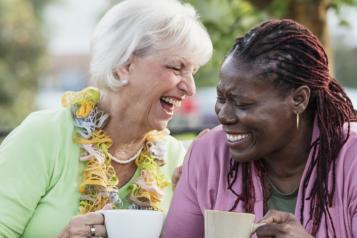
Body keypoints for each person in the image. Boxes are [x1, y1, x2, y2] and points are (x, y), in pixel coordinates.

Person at [0, 0, 212, 237]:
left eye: (193, 72)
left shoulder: (173, 159)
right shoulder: (44, 136)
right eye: (176, 67)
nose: (190, 88)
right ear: (123, 65)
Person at [163, 19, 357, 238]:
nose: (224, 115)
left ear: (299, 99)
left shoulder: (351, 160)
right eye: (221, 98)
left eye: (243, 104)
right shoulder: (209, 155)